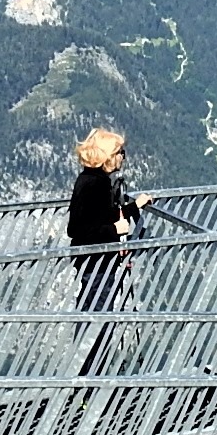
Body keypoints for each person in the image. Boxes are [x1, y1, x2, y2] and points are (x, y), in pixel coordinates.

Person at [66, 129, 155, 310]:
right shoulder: (95, 184)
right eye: (120, 152)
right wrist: (114, 230)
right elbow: (77, 229)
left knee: (91, 305)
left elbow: (103, 215)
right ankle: (94, 339)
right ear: (109, 156)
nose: (123, 157)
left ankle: (91, 338)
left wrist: (134, 206)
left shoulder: (92, 179)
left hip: (96, 260)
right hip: (96, 262)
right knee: (98, 310)